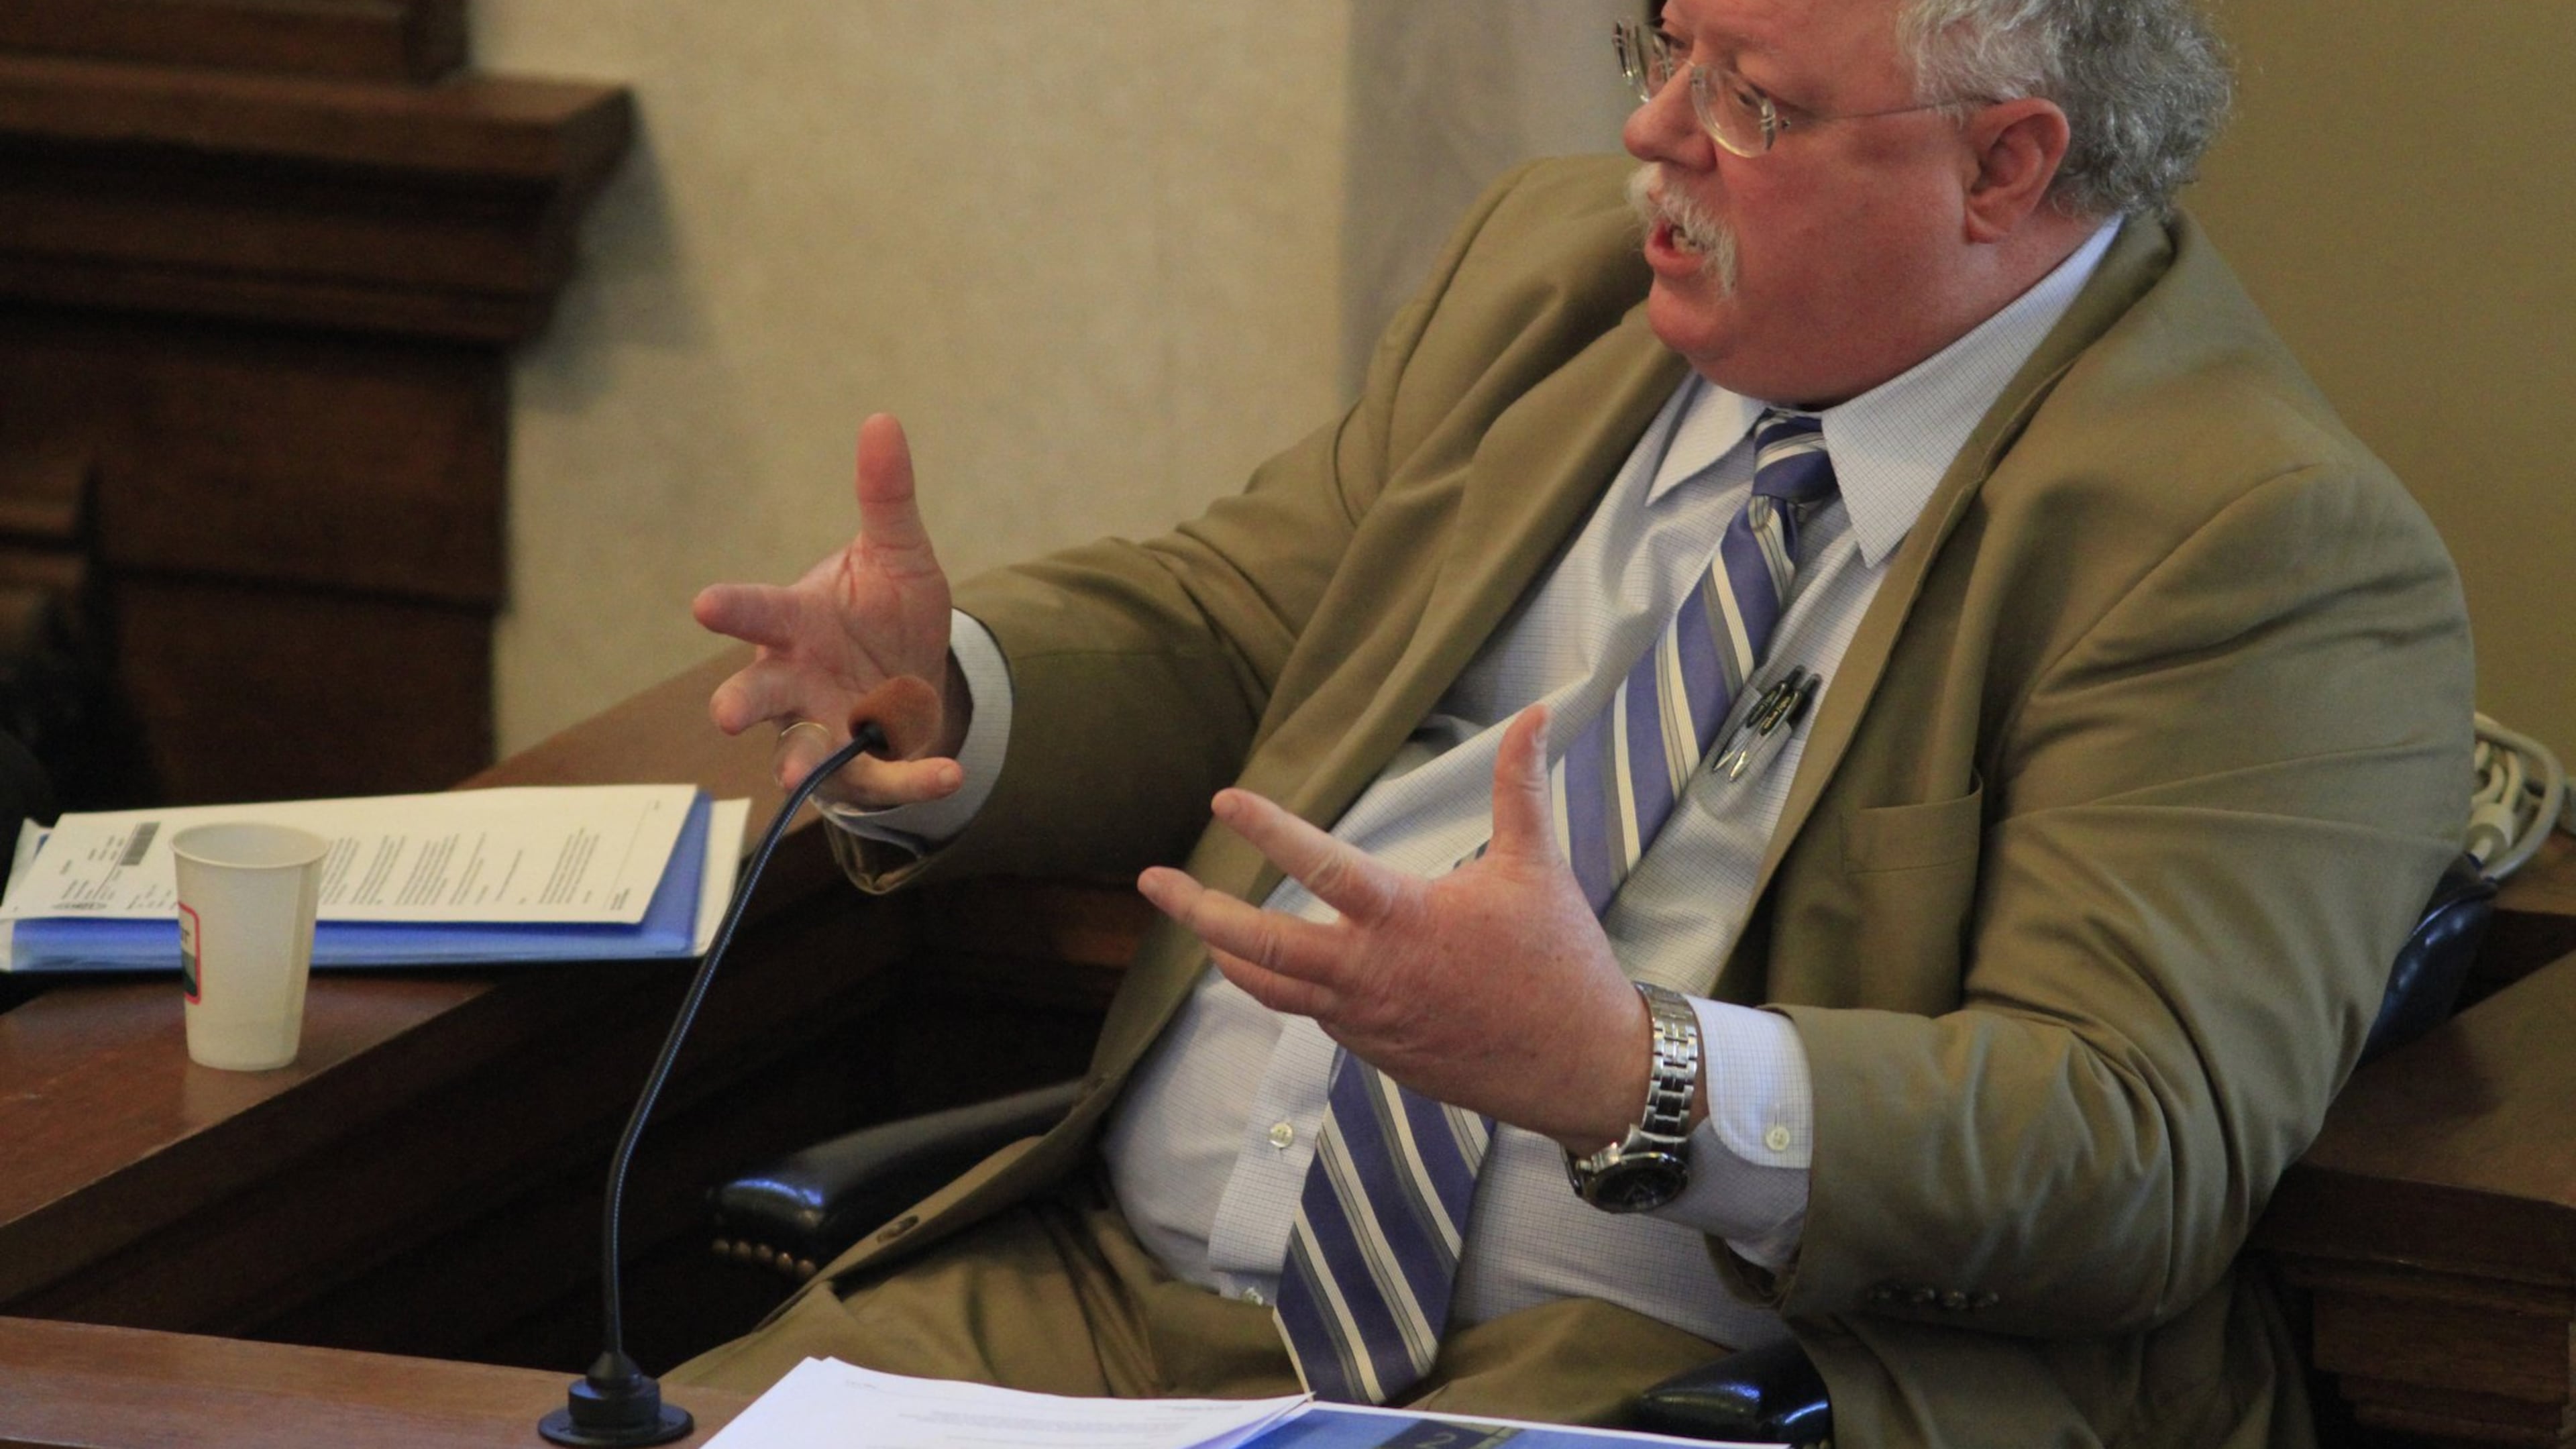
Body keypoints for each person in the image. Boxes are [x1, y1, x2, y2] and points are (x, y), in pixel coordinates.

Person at [672, 0, 2473, 1443]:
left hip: (1647, 1383)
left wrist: (1632, 1070)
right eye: (1658, 44)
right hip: (1110, 1303)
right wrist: (955, 697)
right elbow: (1251, 620)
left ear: (2005, 163)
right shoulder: (1561, 279)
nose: (1655, 133)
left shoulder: (2248, 540)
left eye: (1749, 98)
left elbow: (2125, 1142)